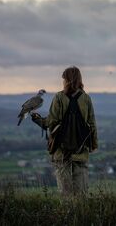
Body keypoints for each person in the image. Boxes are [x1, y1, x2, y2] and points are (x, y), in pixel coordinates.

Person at [31, 66, 98, 196]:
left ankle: (67, 216)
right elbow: (92, 124)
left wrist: (37, 119)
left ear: (67, 80)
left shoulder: (59, 98)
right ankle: (80, 216)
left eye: (64, 79)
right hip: (81, 151)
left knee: (66, 195)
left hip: (61, 152)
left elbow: (51, 122)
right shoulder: (86, 98)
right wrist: (93, 145)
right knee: (81, 195)